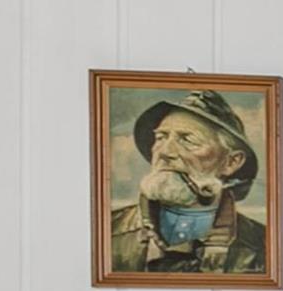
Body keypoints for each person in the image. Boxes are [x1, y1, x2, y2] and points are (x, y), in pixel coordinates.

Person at [108, 88, 270, 276]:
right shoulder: (107, 230)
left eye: (187, 140)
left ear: (231, 162)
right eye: (161, 137)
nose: (165, 152)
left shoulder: (265, 246)